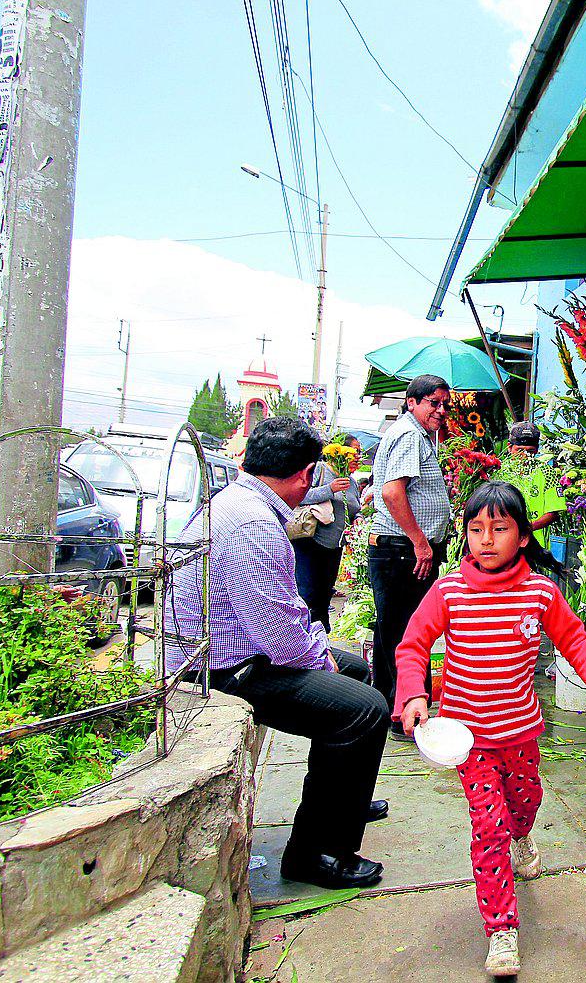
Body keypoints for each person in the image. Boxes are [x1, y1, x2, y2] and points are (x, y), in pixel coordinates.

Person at [394, 481, 586, 977]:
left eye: (499, 528)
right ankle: (501, 929)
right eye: (475, 529)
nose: (486, 538)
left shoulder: (540, 593)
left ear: (524, 536)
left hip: (522, 733)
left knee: (524, 802)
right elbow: (412, 645)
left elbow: (575, 638)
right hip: (469, 741)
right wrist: (414, 694)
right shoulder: (448, 592)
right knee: (488, 826)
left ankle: (524, 837)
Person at [167, 417, 390, 890]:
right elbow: (281, 637)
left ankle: (344, 797)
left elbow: (280, 620)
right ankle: (318, 853)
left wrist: (320, 652)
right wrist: (318, 656)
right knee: (365, 711)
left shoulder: (236, 500)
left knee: (355, 667)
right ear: (307, 474)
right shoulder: (253, 523)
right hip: (220, 671)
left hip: (229, 654)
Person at [369, 374, 452, 736]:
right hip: (404, 553)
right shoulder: (408, 435)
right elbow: (391, 492)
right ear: (412, 401)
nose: (441, 410)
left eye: (444, 404)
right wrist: (420, 541)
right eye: (434, 403)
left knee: (395, 631)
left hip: (404, 551)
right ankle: (403, 713)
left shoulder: (418, 436)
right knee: (406, 633)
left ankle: (389, 707)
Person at [292, 440, 362, 631]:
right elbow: (301, 496)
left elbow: (355, 507)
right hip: (311, 541)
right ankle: (301, 636)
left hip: (335, 546)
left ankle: (321, 637)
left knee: (324, 595)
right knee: (307, 593)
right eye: (354, 451)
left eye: (359, 452)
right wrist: (330, 489)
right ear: (340, 453)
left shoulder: (352, 482)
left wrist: (359, 517)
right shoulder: (320, 470)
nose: (358, 456)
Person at [501, 421, 565, 544]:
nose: (524, 456)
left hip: (536, 545)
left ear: (537, 450)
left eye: (530, 451)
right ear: (509, 447)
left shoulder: (547, 472)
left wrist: (527, 529)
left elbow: (553, 512)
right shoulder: (500, 472)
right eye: (519, 450)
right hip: (503, 542)